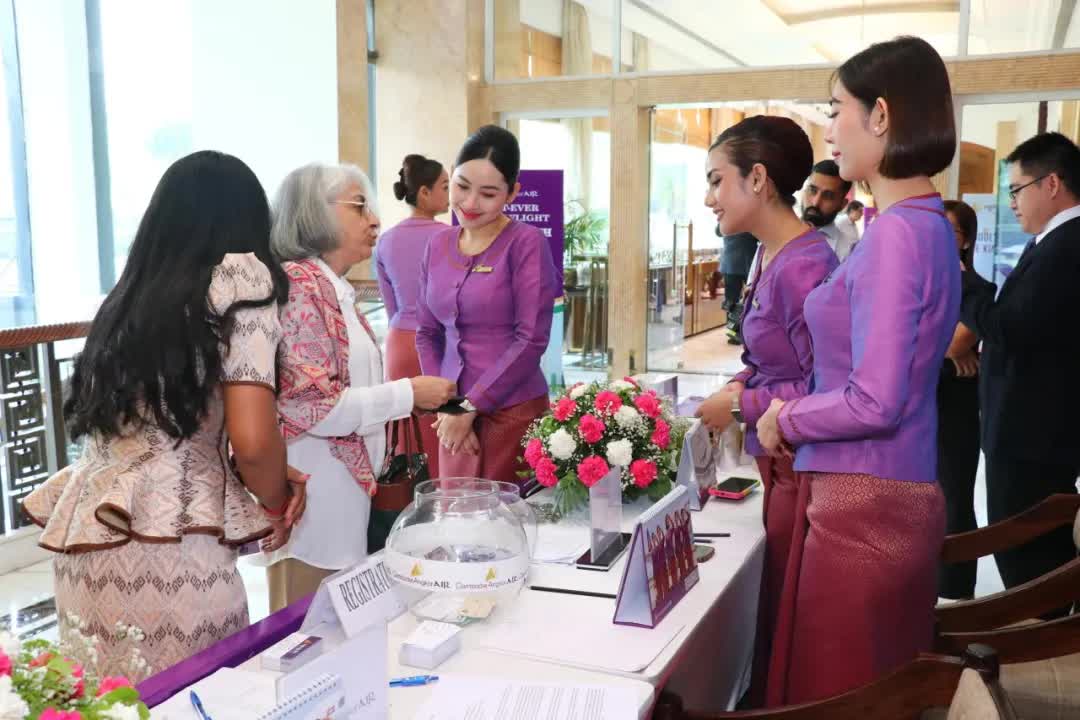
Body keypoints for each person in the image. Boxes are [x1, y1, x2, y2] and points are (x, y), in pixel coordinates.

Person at [23, 151, 300, 680]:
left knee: (110, 702)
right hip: (174, 549)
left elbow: (169, 421)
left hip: (89, 538)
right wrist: (276, 500)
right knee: (200, 698)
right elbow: (253, 440)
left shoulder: (132, 296)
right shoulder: (243, 281)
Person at [755, 36, 960, 704]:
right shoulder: (920, 221)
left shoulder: (900, 232)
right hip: (884, 485)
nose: (828, 130)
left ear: (880, 114)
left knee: (838, 692)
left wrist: (786, 416)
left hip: (865, 498)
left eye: (834, 109)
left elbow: (876, 399)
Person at [694, 115, 838, 703]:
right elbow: (769, 357)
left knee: (786, 597)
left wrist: (739, 404)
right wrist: (740, 384)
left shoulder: (805, 266)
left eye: (716, 181)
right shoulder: (769, 254)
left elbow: (826, 385)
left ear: (757, 179)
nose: (709, 198)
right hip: (776, 457)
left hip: (802, 462)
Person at [266, 162, 455, 611]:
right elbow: (316, 407)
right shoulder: (300, 287)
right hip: (315, 512)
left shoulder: (331, 288)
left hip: (342, 502)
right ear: (315, 213)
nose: (374, 220)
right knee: (308, 634)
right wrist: (407, 394)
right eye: (359, 207)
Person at [960, 131, 1080, 609]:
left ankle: (1042, 637)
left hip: (1033, 436)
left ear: (1051, 183)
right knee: (1028, 550)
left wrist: (962, 282)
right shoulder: (1051, 242)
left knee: (1028, 556)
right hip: (1032, 430)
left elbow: (1009, 326)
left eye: (1016, 189)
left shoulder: (1066, 246)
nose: (1011, 202)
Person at [416, 125, 559, 486]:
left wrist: (471, 406)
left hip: (512, 413)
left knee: (507, 514)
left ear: (512, 193)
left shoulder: (526, 243)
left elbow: (530, 339)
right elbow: (427, 332)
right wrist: (448, 405)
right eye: (462, 186)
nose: (470, 203)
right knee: (456, 511)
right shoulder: (437, 245)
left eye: (488, 194)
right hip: (452, 419)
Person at [377, 154, 451, 477]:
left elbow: (390, 305)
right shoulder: (451, 236)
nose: (450, 195)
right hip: (439, 342)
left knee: (403, 426)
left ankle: (405, 491)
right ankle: (446, 492)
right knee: (445, 423)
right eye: (445, 187)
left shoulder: (386, 240)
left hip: (399, 342)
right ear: (424, 192)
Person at [937, 199, 983, 602]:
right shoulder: (920, 284)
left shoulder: (976, 288)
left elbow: (956, 343)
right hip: (920, 404)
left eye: (947, 231)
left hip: (955, 408)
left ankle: (955, 591)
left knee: (954, 497)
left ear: (965, 241)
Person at [803, 159, 858, 261]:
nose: (815, 202)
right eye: (812, 190)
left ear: (842, 204)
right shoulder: (779, 233)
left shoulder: (848, 251)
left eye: (828, 196)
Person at [718, 229, 758, 344]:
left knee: (731, 300)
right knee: (753, 298)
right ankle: (748, 331)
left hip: (730, 263)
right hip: (747, 263)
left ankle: (733, 333)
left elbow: (718, 231)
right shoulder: (748, 222)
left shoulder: (728, 223)